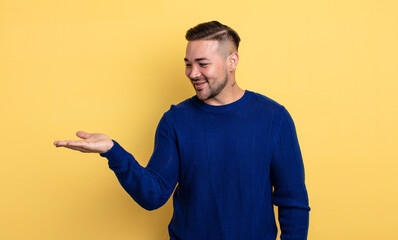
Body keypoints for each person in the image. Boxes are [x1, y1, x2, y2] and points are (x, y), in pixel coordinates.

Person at [54, 21, 310, 240]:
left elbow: (293, 201)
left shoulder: (274, 118)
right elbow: (153, 195)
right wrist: (113, 151)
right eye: (188, 64)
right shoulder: (176, 120)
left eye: (202, 64)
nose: (192, 73)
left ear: (232, 61)